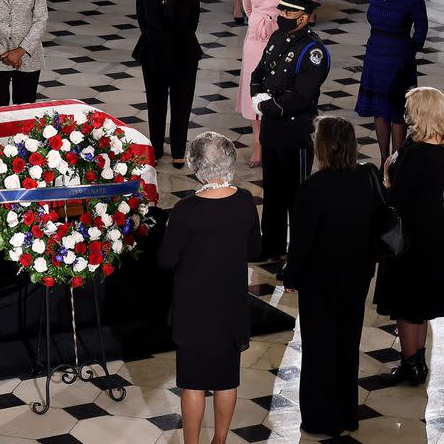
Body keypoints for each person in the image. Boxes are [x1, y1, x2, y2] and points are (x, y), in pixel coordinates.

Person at [157, 132, 260, 444]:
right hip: (230, 303)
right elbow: (255, 251)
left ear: (195, 166)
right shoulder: (244, 201)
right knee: (227, 380)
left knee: (194, 383)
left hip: (194, 308)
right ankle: (220, 441)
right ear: (229, 162)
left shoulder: (186, 210)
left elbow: (164, 260)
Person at [283, 117, 381, 437]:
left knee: (319, 348)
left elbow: (301, 241)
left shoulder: (313, 188)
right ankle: (346, 415)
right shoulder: (368, 176)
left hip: (320, 281)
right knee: (347, 345)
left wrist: (291, 277)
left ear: (322, 147)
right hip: (357, 276)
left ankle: (320, 419)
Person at [250, 0, 331, 263]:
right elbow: (259, 72)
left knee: (296, 196)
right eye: (281, 9)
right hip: (273, 128)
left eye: (288, 11)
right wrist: (255, 94)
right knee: (272, 190)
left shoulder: (313, 51)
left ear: (304, 17)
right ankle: (270, 245)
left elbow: (301, 96)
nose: (281, 15)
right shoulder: (277, 37)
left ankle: (298, 253)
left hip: (296, 131)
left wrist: (266, 106)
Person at [378, 87, 444, 387]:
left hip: (410, 238)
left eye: (409, 107)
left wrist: (388, 178)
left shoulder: (415, 152)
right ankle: (419, 360)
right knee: (422, 304)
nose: (405, 112)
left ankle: (411, 365)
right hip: (436, 236)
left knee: (406, 306)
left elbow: (395, 197)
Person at [237, 0, 310, 167]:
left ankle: (276, 139)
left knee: (277, 88)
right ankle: (257, 145)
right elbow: (248, 7)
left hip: (280, 40)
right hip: (254, 41)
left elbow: (302, 13)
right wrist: (258, 23)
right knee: (255, 89)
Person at [355, 0, 428, 167]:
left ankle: (397, 161)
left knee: (396, 110)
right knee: (379, 109)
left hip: (399, 56)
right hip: (375, 52)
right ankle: (383, 159)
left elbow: (422, 27)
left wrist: (410, 49)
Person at [133, 0, 201, 168]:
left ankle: (179, 150)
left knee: (182, 102)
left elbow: (192, 21)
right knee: (155, 102)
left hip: (184, 52)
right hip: (153, 53)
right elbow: (143, 22)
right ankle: (156, 148)